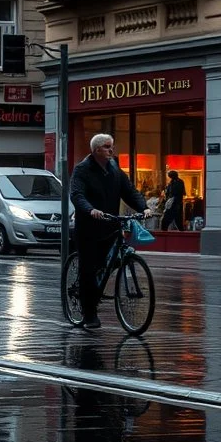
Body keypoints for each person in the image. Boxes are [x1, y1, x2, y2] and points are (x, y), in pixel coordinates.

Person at [69, 133, 153, 331]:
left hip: (110, 225)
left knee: (112, 261)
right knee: (88, 269)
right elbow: (77, 195)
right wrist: (90, 210)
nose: (111, 150)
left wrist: (144, 207)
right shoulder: (82, 170)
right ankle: (89, 313)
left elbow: (129, 191)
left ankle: (104, 283)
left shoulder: (115, 169)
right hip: (89, 228)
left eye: (111, 146)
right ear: (96, 150)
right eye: (107, 147)